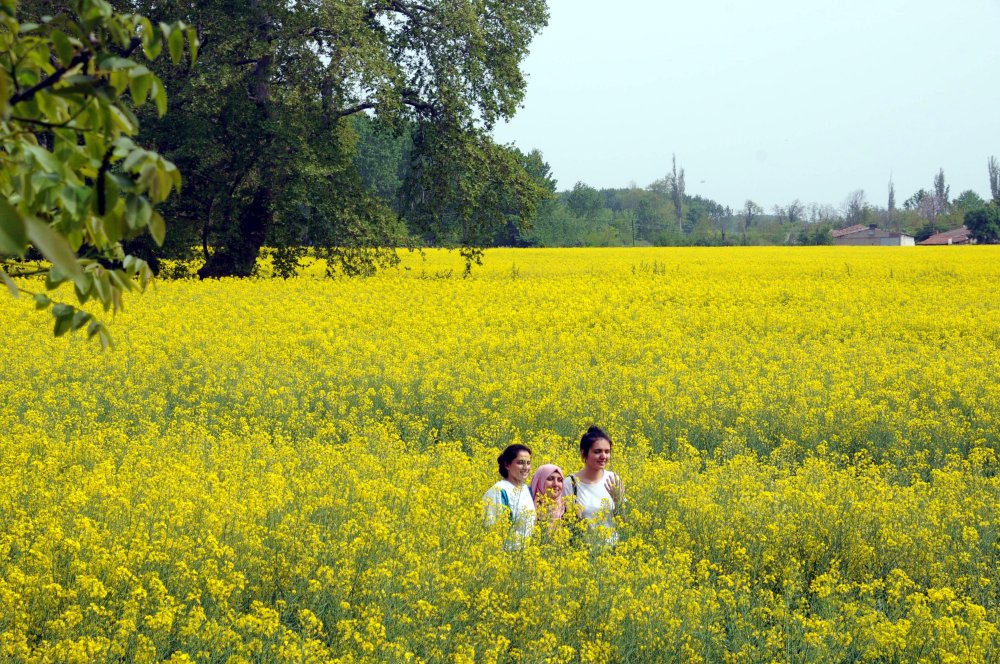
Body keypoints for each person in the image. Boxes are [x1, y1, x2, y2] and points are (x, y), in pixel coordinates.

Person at [564, 426, 624, 544]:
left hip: (613, 550)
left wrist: (618, 502)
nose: (603, 456)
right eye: (597, 452)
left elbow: (623, 522)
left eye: (607, 452)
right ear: (584, 454)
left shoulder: (613, 479)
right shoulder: (570, 483)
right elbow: (567, 524)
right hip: (583, 551)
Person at [483, 443, 535, 548]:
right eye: (520, 463)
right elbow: (491, 528)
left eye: (528, 463)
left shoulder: (527, 490)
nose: (525, 467)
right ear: (507, 465)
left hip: (526, 552)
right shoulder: (499, 491)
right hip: (506, 553)